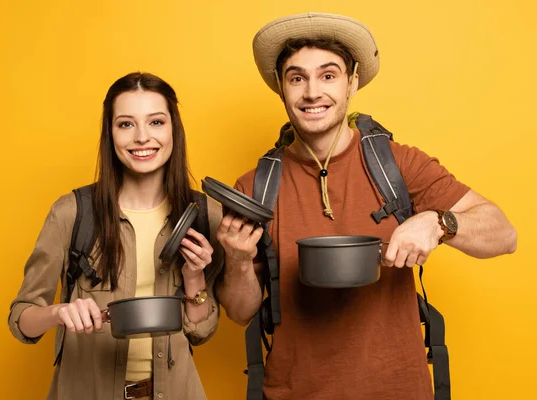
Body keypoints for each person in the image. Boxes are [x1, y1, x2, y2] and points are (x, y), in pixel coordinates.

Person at [215, 12, 517, 399]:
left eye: (328, 75)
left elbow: (504, 235)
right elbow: (240, 313)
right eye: (296, 78)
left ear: (352, 82)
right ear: (281, 87)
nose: (311, 93)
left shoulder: (399, 163)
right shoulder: (255, 186)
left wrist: (439, 222)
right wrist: (238, 261)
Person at [8, 72, 224, 400]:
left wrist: (194, 278)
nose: (141, 137)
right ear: (110, 134)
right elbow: (21, 320)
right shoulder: (71, 213)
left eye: (155, 122)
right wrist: (59, 313)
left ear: (173, 130)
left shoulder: (204, 214)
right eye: (126, 124)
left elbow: (200, 332)